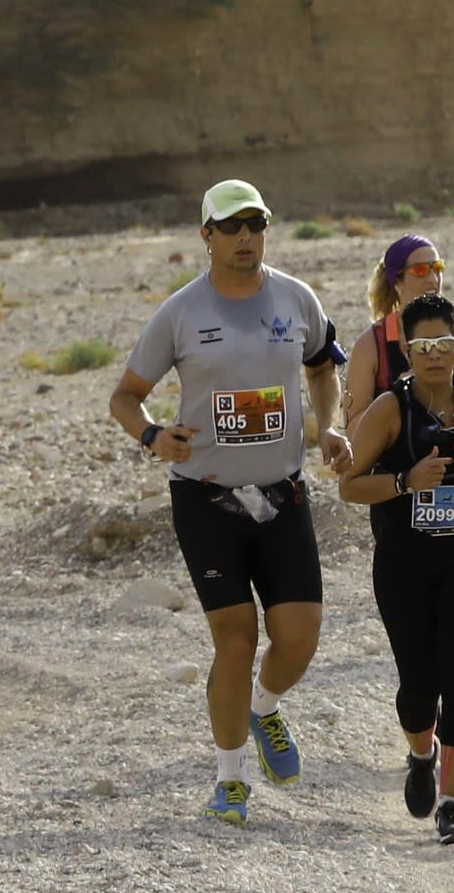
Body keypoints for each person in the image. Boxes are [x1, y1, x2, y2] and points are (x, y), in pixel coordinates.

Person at [116, 181, 346, 824]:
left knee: (299, 637)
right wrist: (153, 435)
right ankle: (230, 779)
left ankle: (264, 707)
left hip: (283, 494)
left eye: (257, 224)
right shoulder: (182, 312)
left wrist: (329, 425)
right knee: (236, 640)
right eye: (233, 226)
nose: (246, 236)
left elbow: (324, 366)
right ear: (207, 236)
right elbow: (125, 396)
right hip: (206, 499)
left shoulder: (297, 297)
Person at [333, 288, 454, 844]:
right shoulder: (389, 410)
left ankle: (451, 806)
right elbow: (350, 486)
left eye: (445, 343)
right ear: (407, 350)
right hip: (405, 560)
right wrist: (407, 482)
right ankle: (419, 753)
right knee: (417, 685)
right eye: (422, 344)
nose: (435, 353)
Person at [336, 233, 454, 437]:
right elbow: (352, 429)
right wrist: (396, 396)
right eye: (420, 271)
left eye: (438, 268)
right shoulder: (372, 344)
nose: (433, 279)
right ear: (397, 282)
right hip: (398, 464)